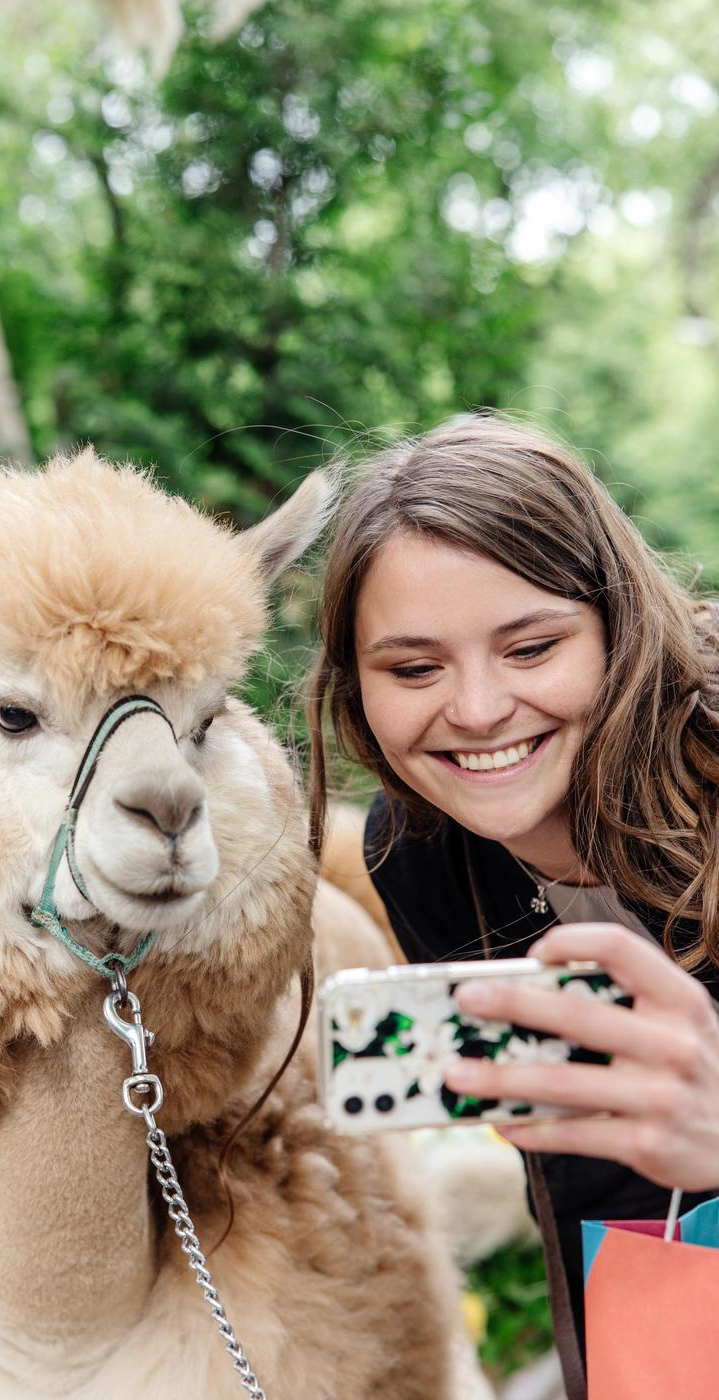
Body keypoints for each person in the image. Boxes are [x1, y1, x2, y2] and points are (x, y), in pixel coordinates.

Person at [307, 414, 719, 1400]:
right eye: (413, 668)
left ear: (616, 622)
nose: (479, 708)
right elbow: (568, 1178)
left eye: (530, 647)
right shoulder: (416, 853)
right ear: (354, 689)